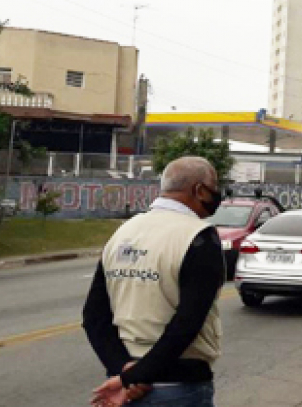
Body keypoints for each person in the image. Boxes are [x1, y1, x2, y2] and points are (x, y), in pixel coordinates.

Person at [83, 156, 226, 407]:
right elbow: (187, 323)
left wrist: (125, 372)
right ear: (199, 190)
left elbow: (94, 316)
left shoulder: (124, 232)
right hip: (179, 388)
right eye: (215, 187)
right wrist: (134, 376)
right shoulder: (200, 237)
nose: (218, 194)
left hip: (124, 384)